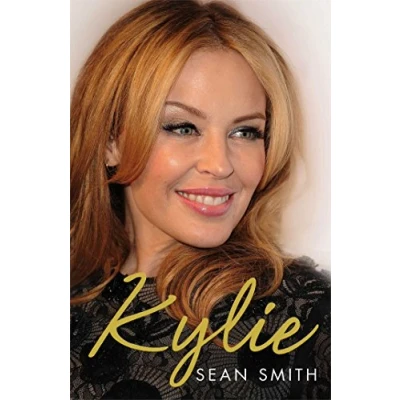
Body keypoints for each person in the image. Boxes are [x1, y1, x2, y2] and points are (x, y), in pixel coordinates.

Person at [70, 0, 331, 399]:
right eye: (182, 127)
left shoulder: (312, 316)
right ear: (110, 143)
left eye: (245, 132)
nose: (220, 164)